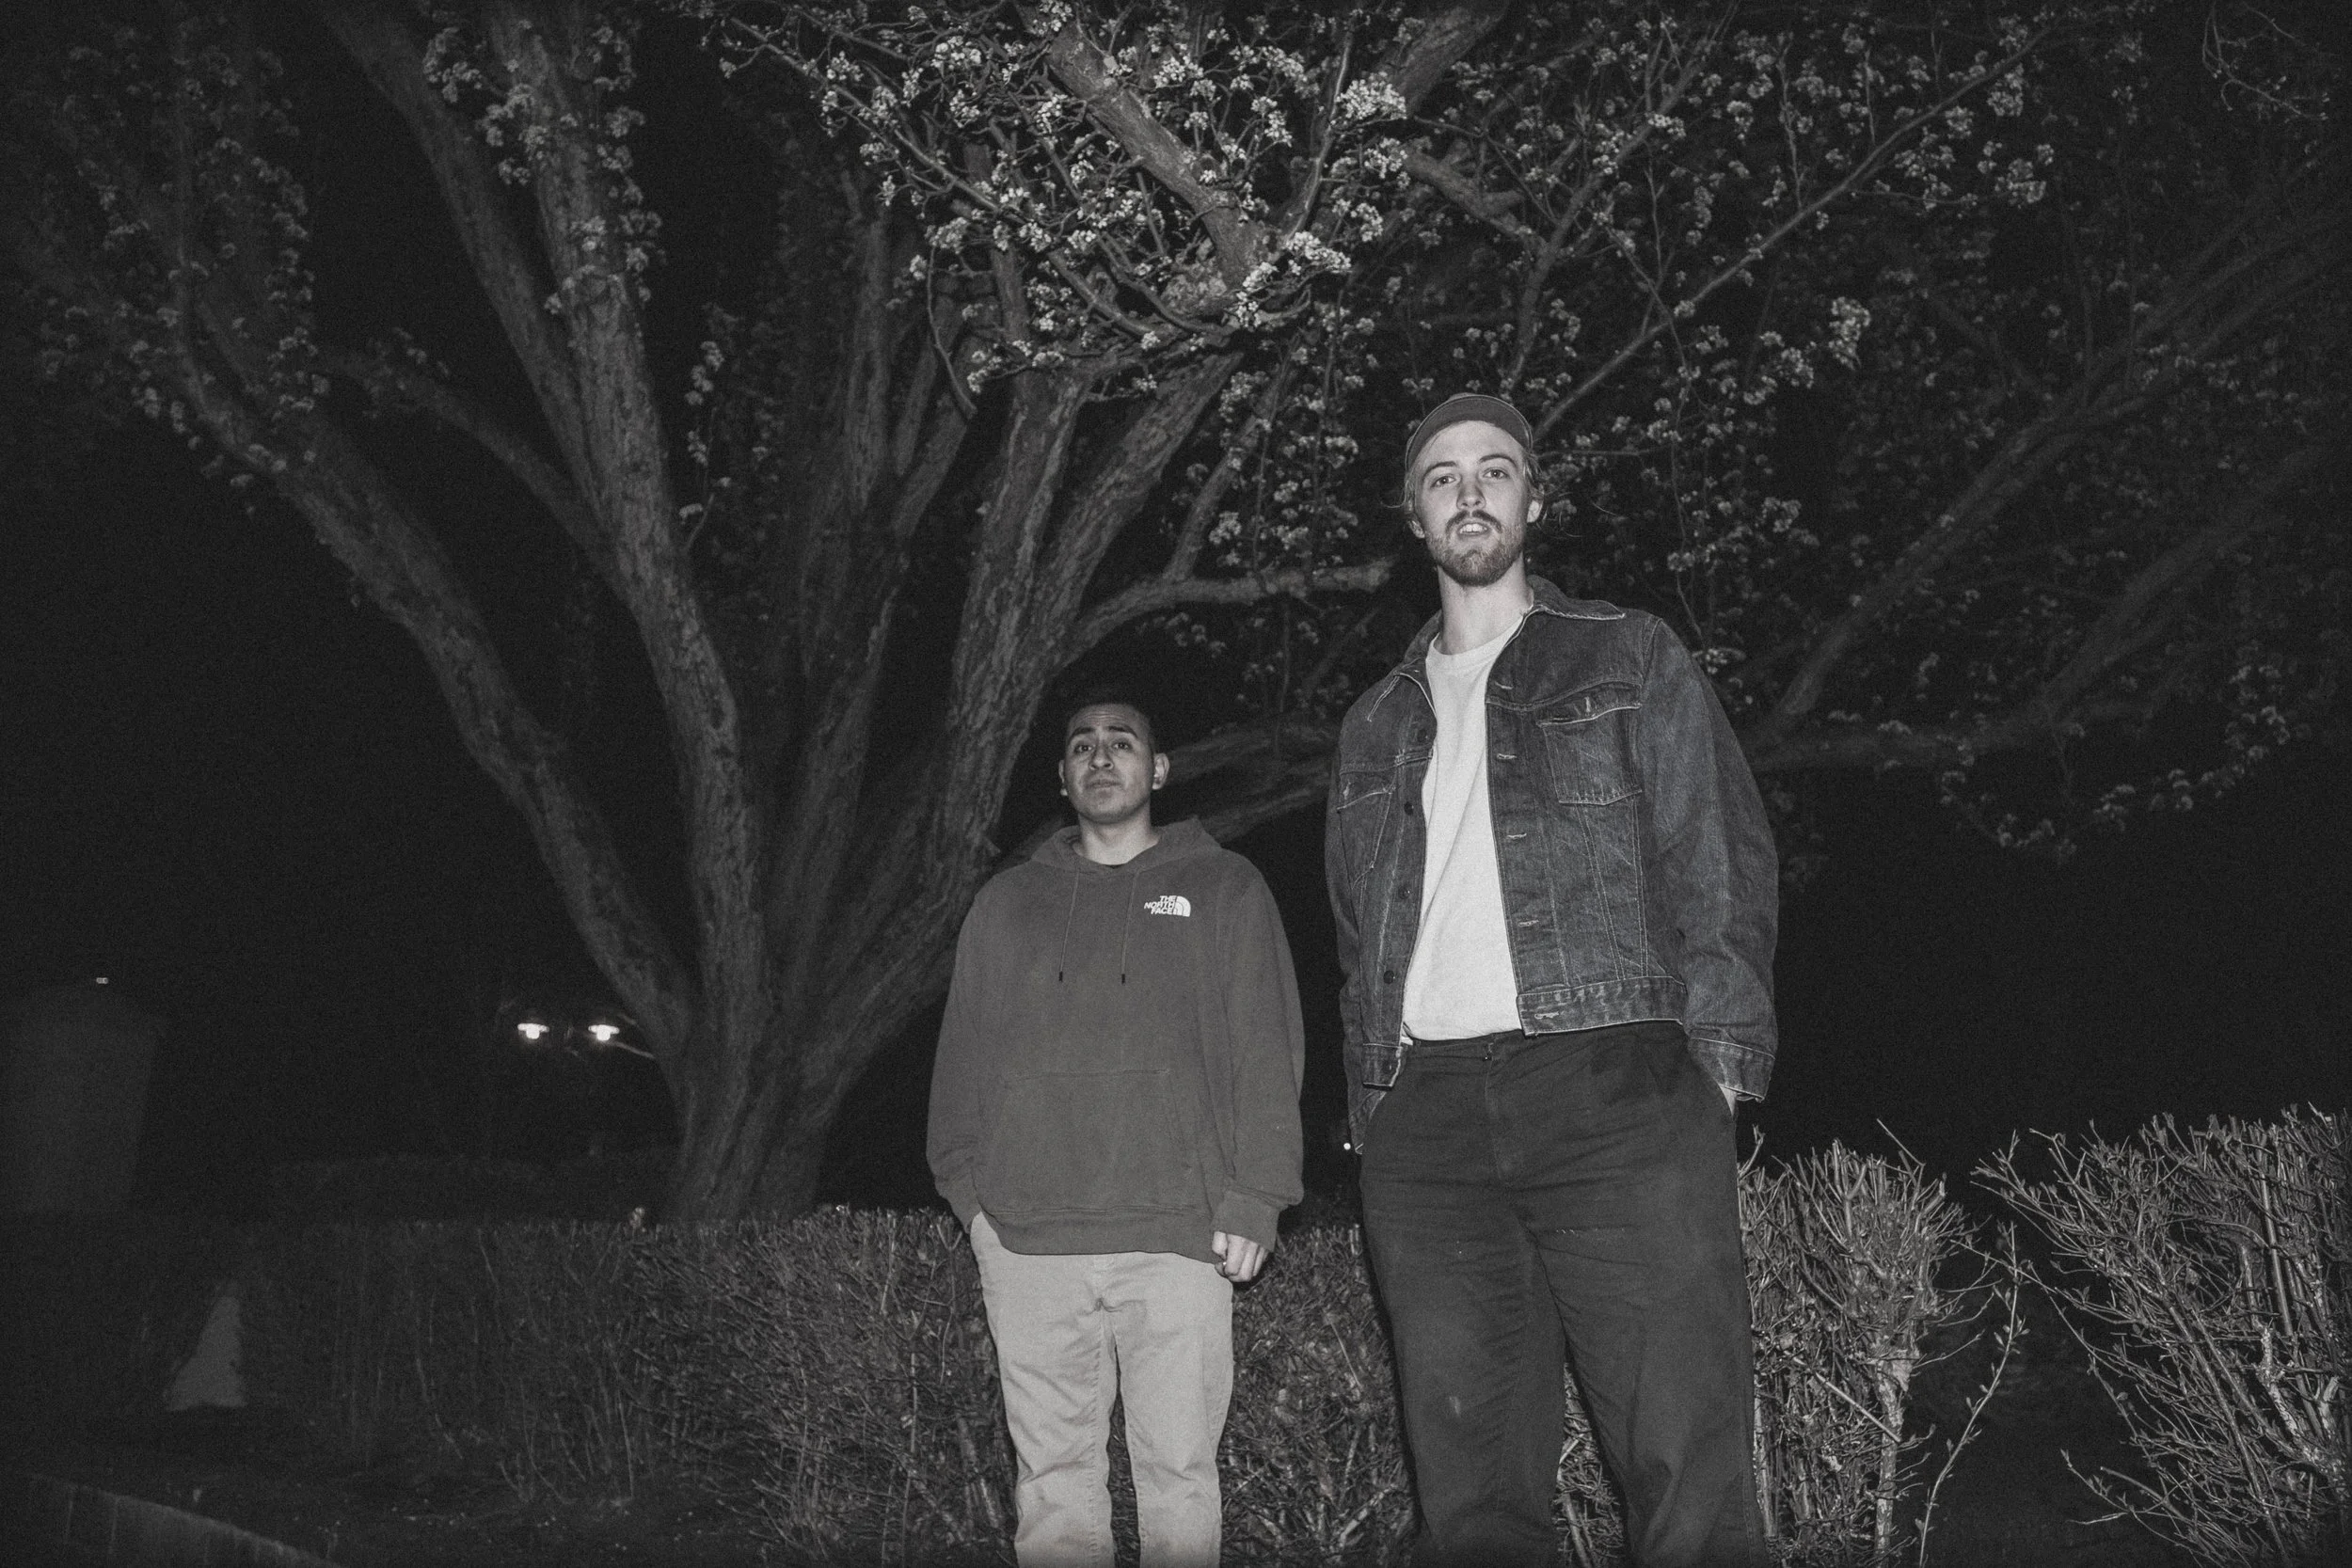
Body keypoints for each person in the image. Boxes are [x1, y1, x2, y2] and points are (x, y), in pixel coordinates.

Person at [1324, 393, 1778, 1566]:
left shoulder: (1628, 652)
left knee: (1684, 1467)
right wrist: (1375, 1110)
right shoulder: (1374, 724)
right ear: (1414, 520)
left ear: (1534, 499)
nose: (1468, 491)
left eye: (1494, 470)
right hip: (1426, 1119)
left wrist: (1716, 1075)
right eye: (1439, 476)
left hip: (1613, 1083)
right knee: (1469, 1502)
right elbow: (1353, 935)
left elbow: (1715, 858)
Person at [930, 690, 1306, 1568]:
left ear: (1159, 769)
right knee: (1053, 1485)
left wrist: (1257, 1197)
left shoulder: (1226, 887)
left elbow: (1267, 1046)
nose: (1102, 757)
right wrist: (973, 1206)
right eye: (1083, 746)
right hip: (1028, 1243)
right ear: (1063, 777)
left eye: (1123, 742)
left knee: (1178, 1476)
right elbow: (959, 1063)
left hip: (1179, 1240)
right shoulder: (1006, 904)